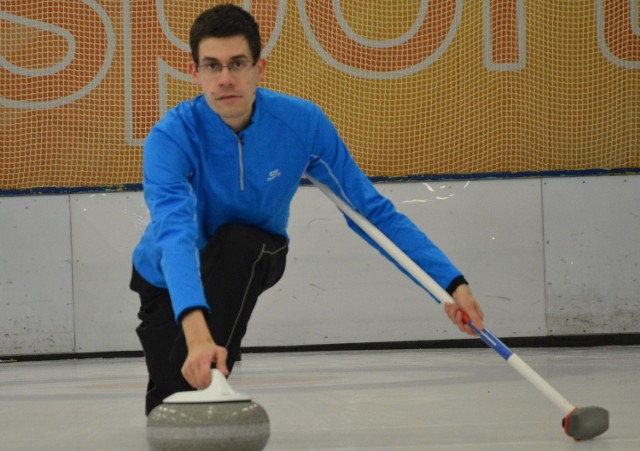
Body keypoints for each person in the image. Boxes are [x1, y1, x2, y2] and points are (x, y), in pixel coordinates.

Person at [130, 4, 485, 415]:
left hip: (252, 255)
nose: (225, 78)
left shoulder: (302, 124)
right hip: (164, 277)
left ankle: (210, 369)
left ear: (260, 68)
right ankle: (202, 365)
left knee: (240, 243)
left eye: (237, 64)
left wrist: (450, 285)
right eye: (212, 65)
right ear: (195, 73)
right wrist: (195, 332)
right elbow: (175, 232)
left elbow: (371, 212)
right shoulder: (170, 137)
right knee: (165, 405)